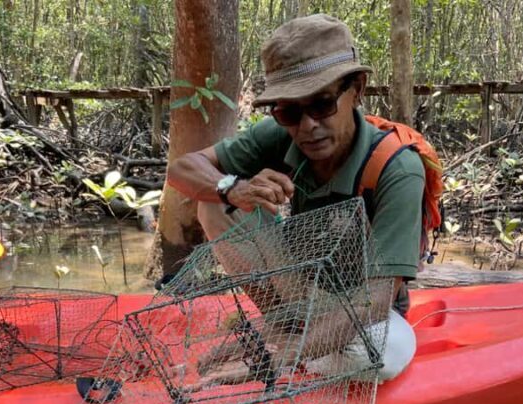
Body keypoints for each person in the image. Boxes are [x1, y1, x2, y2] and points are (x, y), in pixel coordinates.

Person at [167, 14, 424, 382]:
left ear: (358, 88)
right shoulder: (280, 133)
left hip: (359, 307)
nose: (306, 126)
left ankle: (272, 347)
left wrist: (284, 356)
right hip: (297, 288)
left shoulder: (398, 170)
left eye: (321, 105)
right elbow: (182, 170)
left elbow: (375, 299)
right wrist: (233, 188)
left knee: (384, 355)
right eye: (288, 110)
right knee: (213, 198)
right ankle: (278, 323)